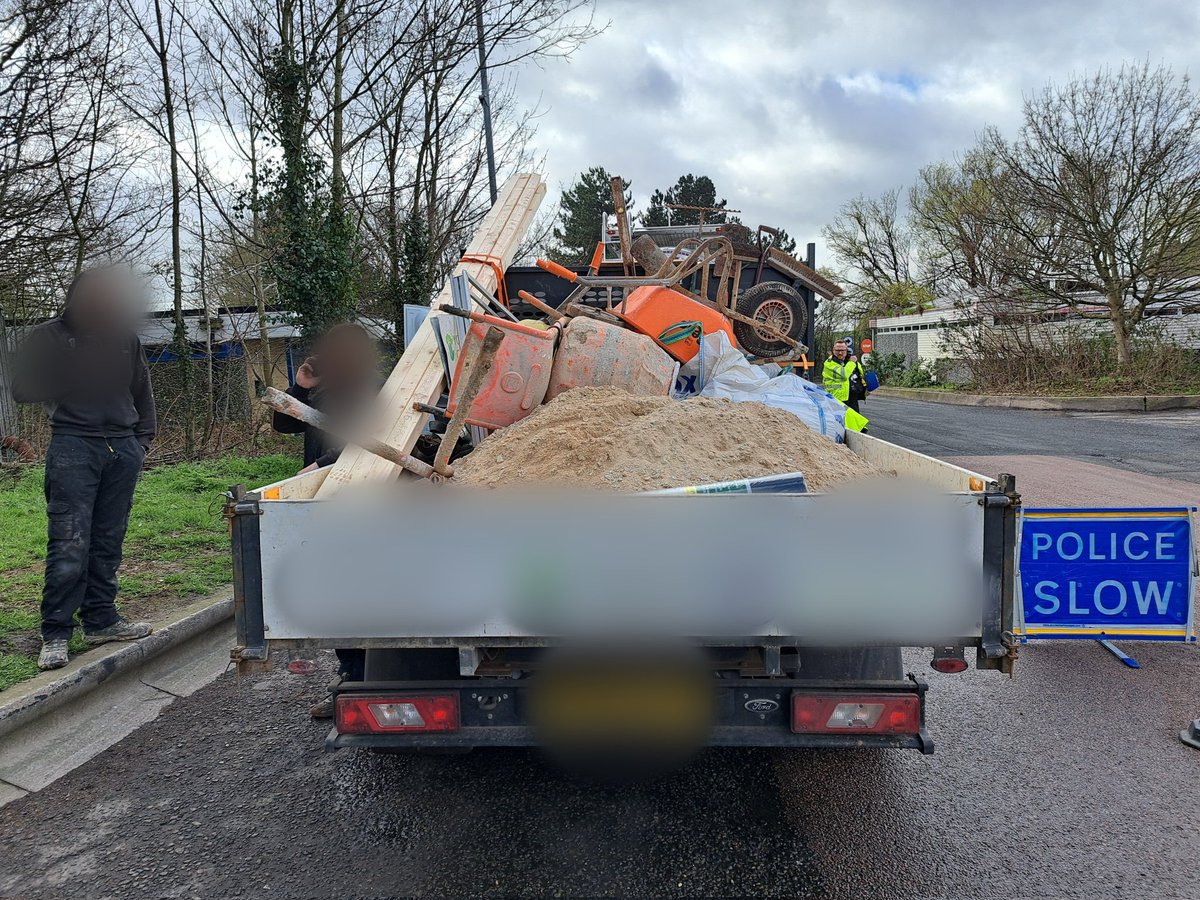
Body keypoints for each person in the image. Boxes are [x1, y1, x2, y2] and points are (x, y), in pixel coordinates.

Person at [11, 267, 155, 671]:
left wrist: (141, 442)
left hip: (122, 448)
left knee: (109, 539)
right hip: (74, 446)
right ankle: (56, 632)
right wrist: (72, 372)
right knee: (70, 542)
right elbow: (23, 389)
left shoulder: (125, 338)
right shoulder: (49, 336)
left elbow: (141, 391)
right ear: (76, 296)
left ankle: (102, 620)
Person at [272, 322, 380, 718]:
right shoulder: (325, 390)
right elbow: (284, 424)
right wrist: (300, 386)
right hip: (322, 502)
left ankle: (368, 675)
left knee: (365, 593)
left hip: (365, 500)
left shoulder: (382, 391)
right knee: (335, 594)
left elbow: (379, 442)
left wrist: (322, 463)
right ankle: (350, 677)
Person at [822, 339, 869, 413]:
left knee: (854, 422)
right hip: (836, 398)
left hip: (851, 397)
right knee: (839, 423)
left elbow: (860, 373)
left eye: (842, 350)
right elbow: (843, 375)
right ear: (833, 350)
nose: (840, 353)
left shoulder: (850, 360)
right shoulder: (829, 363)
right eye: (837, 350)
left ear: (847, 350)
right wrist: (852, 363)